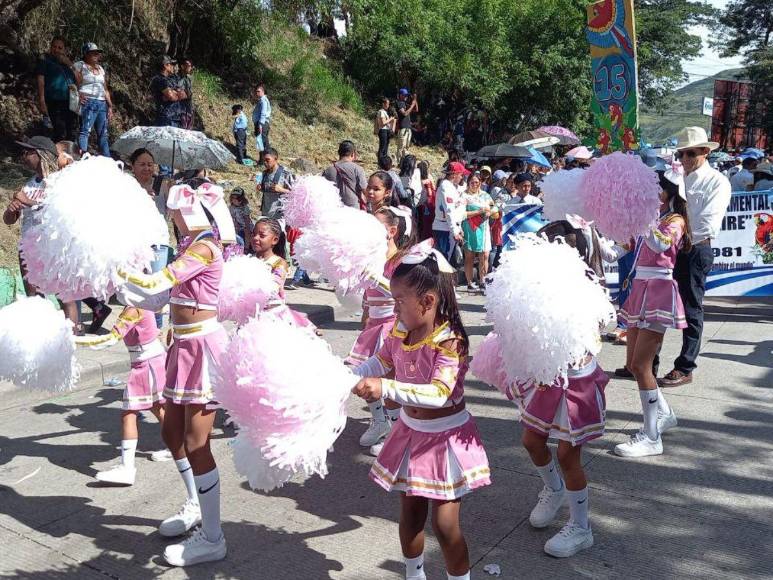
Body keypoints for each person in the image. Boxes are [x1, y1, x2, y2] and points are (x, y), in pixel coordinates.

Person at [351, 242, 490, 580]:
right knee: (410, 515)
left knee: (444, 526)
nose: (394, 309)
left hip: (444, 440)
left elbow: (439, 394)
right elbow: (380, 362)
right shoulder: (400, 329)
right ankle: (414, 575)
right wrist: (347, 374)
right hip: (411, 434)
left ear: (428, 302)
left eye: (399, 302)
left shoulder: (451, 340)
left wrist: (386, 388)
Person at [118, 181, 237, 566]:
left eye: (171, 210)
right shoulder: (190, 247)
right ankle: (195, 503)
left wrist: (118, 267)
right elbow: (157, 298)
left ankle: (213, 537)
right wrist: (116, 288)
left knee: (197, 441)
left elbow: (157, 281)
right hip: (180, 348)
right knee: (171, 433)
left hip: (202, 348)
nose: (169, 216)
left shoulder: (205, 248)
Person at [614, 168, 689, 457]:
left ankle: (651, 437)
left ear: (668, 191)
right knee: (633, 365)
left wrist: (643, 218)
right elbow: (622, 249)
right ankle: (664, 413)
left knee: (643, 366)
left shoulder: (675, 220)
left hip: (658, 291)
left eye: (654, 188)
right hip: (640, 290)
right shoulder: (654, 219)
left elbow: (660, 244)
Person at [4, 136, 110, 334]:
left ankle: (72, 335)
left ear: (42, 155)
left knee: (65, 296)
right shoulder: (29, 183)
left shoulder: (60, 181)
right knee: (33, 294)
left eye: (29, 152)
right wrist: (12, 209)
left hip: (54, 245)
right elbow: (9, 220)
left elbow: (63, 208)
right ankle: (40, 335)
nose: (24, 156)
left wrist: (28, 202)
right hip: (28, 246)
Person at [659, 127, 731, 388]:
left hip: (694, 248)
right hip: (670, 248)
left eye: (690, 153)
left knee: (691, 309)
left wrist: (673, 240)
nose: (685, 159)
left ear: (704, 152)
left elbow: (708, 224)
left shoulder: (717, 181)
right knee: (658, 306)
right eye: (681, 154)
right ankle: (646, 362)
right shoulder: (675, 178)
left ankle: (685, 367)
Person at [347, 206, 414, 453]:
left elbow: (402, 294)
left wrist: (375, 276)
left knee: (389, 382)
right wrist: (365, 315)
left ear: (391, 231)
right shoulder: (370, 259)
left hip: (393, 326)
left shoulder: (400, 261)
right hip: (373, 325)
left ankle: (397, 435)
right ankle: (380, 422)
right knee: (362, 378)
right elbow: (367, 296)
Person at [76, 306, 169, 484]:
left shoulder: (134, 308)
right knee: (157, 408)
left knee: (129, 413)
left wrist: (72, 340)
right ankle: (178, 446)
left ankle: (127, 469)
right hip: (151, 361)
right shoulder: (140, 302)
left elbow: (110, 339)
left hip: (146, 364)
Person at [251, 217, 318, 334]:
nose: (256, 238)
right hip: (251, 316)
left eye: (262, 235)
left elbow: (273, 287)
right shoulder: (249, 260)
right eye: (254, 234)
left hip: (272, 317)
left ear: (275, 240)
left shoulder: (279, 263)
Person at [72, 43, 113, 157]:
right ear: (86, 54)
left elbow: (105, 88)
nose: (96, 55)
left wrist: (110, 106)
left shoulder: (100, 69)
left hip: (101, 103)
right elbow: (71, 82)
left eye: (97, 53)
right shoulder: (80, 65)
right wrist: (78, 94)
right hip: (88, 101)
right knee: (85, 130)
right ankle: (82, 157)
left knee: (103, 133)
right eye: (93, 53)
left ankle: (107, 159)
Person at [35, 37, 78, 142]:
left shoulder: (68, 64)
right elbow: (40, 80)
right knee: (59, 130)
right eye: (54, 46)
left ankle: (68, 156)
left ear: (64, 50)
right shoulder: (45, 60)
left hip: (70, 102)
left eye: (60, 48)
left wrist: (69, 64)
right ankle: (56, 155)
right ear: (50, 47)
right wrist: (42, 100)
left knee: (71, 131)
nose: (57, 50)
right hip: (53, 101)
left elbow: (79, 79)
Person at [461, 174, 493, 292]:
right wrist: (478, 211)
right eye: (472, 182)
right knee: (469, 256)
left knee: (484, 255)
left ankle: (482, 280)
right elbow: (462, 214)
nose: (475, 185)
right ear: (468, 183)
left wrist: (490, 212)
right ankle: (469, 282)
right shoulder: (464, 196)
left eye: (477, 182)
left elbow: (492, 206)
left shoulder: (485, 195)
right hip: (469, 227)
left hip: (483, 228)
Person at [432, 161, 468, 261]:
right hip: (444, 228)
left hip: (448, 227)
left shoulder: (450, 187)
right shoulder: (446, 187)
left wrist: (457, 227)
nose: (462, 177)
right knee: (443, 261)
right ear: (454, 175)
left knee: (447, 261)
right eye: (461, 174)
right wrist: (455, 231)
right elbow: (449, 210)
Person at [322, 140, 368, 208]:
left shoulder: (328, 170)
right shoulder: (357, 169)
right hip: (353, 209)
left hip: (334, 208)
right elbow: (365, 191)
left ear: (339, 153)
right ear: (353, 154)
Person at [257, 147, 295, 219]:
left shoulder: (286, 174)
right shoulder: (264, 173)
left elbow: (295, 194)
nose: (265, 163)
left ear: (275, 158)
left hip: (280, 216)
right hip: (266, 213)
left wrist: (282, 190)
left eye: (267, 160)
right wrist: (261, 188)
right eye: (263, 160)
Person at [150, 55, 183, 128]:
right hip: (165, 118)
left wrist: (175, 93)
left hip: (174, 117)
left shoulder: (169, 80)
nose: (173, 66)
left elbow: (182, 94)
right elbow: (171, 96)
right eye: (171, 64)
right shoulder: (160, 79)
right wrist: (175, 93)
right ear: (165, 66)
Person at [396, 88, 418, 162]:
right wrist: (412, 105)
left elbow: (416, 110)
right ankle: (399, 162)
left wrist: (415, 100)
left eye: (407, 95)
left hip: (408, 128)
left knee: (406, 147)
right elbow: (404, 113)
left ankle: (403, 162)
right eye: (404, 95)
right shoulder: (400, 103)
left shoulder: (405, 103)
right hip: (403, 128)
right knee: (401, 147)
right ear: (400, 95)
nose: (406, 97)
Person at [252, 84, 272, 162]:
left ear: (263, 92)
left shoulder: (263, 100)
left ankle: (264, 161)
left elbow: (263, 113)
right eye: (256, 91)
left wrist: (260, 125)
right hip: (262, 124)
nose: (257, 93)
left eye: (258, 91)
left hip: (262, 124)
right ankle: (263, 160)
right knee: (262, 143)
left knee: (262, 143)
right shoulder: (262, 100)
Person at [417, 160, 436, 241]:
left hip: (419, 202)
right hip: (429, 202)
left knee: (420, 221)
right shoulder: (429, 177)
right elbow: (433, 189)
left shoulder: (417, 179)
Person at [177, 57, 194, 130]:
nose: (190, 67)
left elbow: (189, 93)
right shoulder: (177, 78)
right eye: (188, 65)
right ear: (182, 66)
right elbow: (178, 92)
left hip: (188, 108)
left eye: (190, 66)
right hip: (179, 109)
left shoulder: (189, 78)